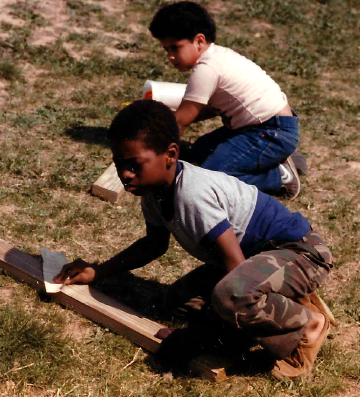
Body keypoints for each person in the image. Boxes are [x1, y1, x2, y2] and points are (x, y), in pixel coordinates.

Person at [54, 100, 333, 379]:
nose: (125, 174)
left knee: (231, 297)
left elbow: (235, 269)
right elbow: (154, 243)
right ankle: (283, 298)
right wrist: (98, 271)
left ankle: (307, 325)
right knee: (178, 302)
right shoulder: (154, 189)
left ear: (171, 154)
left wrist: (197, 338)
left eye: (134, 164)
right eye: (119, 164)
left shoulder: (193, 194)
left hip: (301, 253)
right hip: (256, 259)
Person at [149, 1, 304, 200]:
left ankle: (280, 177)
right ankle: (274, 159)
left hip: (270, 131)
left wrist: (157, 154)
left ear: (199, 40)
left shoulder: (207, 69)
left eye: (175, 48)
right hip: (268, 128)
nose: (170, 56)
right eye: (166, 50)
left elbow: (180, 122)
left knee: (209, 175)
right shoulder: (218, 57)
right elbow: (207, 109)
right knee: (200, 151)